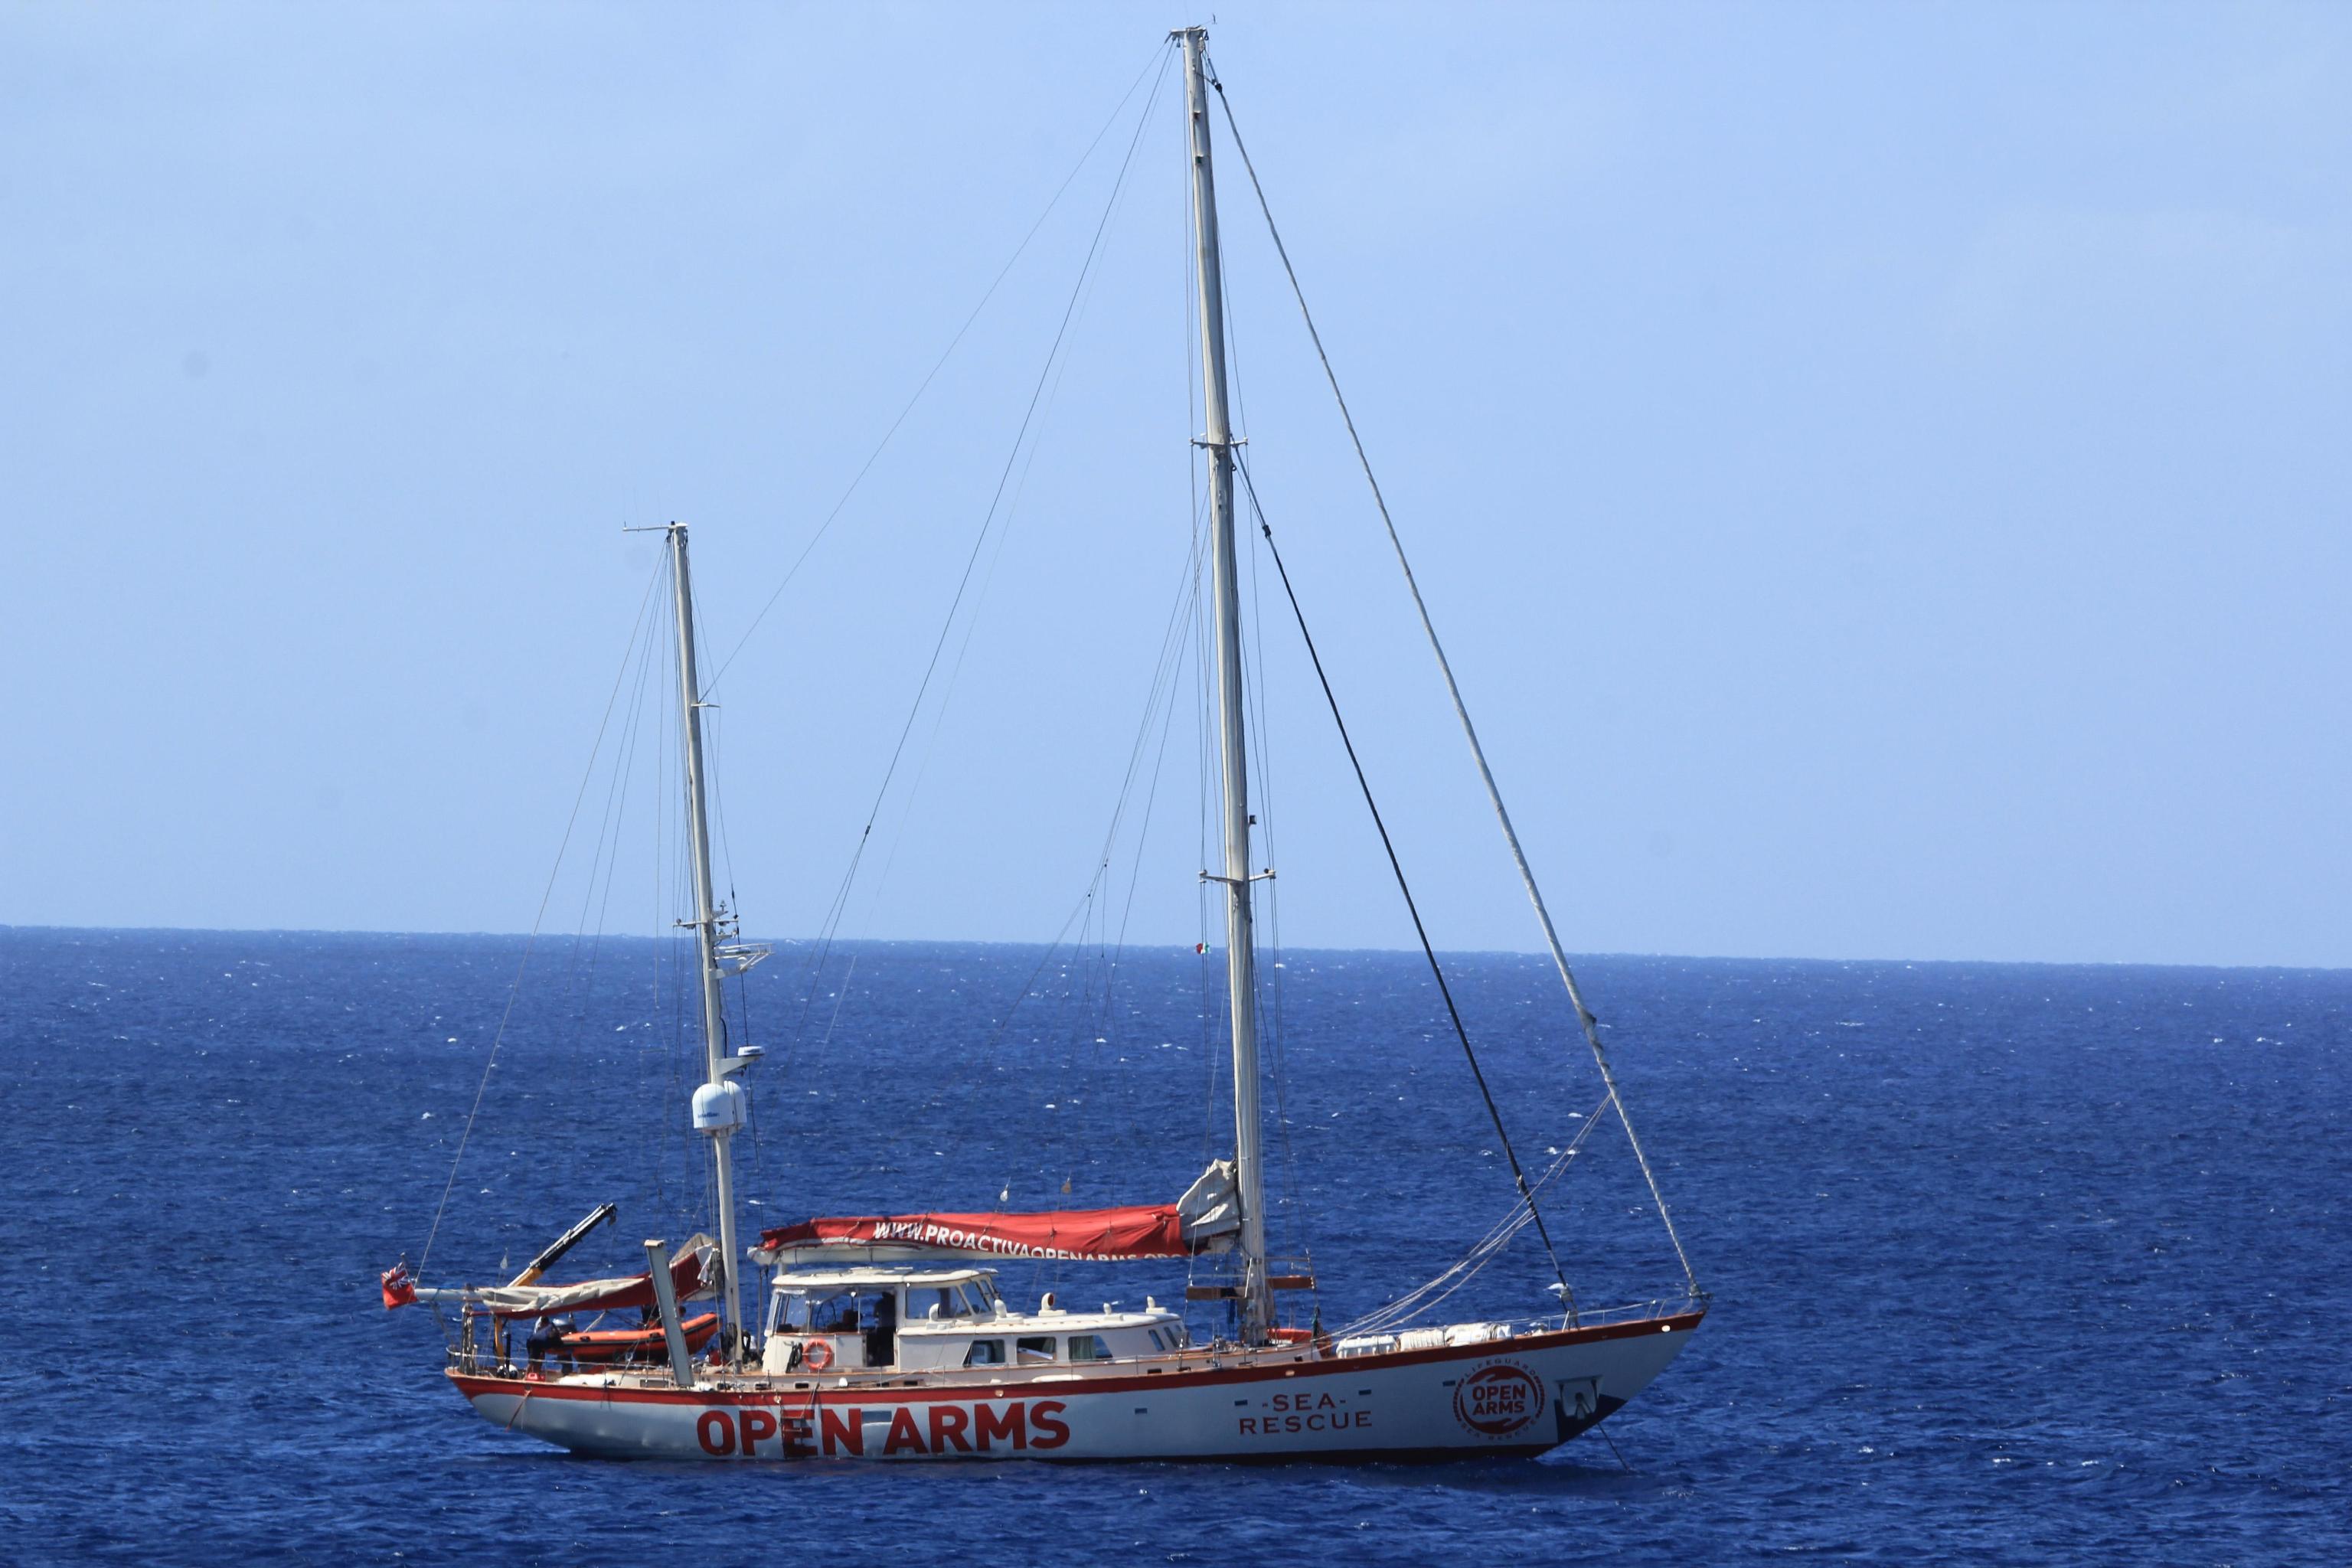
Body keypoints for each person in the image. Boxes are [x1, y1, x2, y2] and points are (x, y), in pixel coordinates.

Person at [865, 1292, 897, 1369]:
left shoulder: (879, 1303)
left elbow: (874, 1315)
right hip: (891, 1328)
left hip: (882, 1328)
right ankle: (892, 1361)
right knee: (891, 1346)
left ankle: (880, 1362)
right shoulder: (894, 1303)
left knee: (881, 1347)